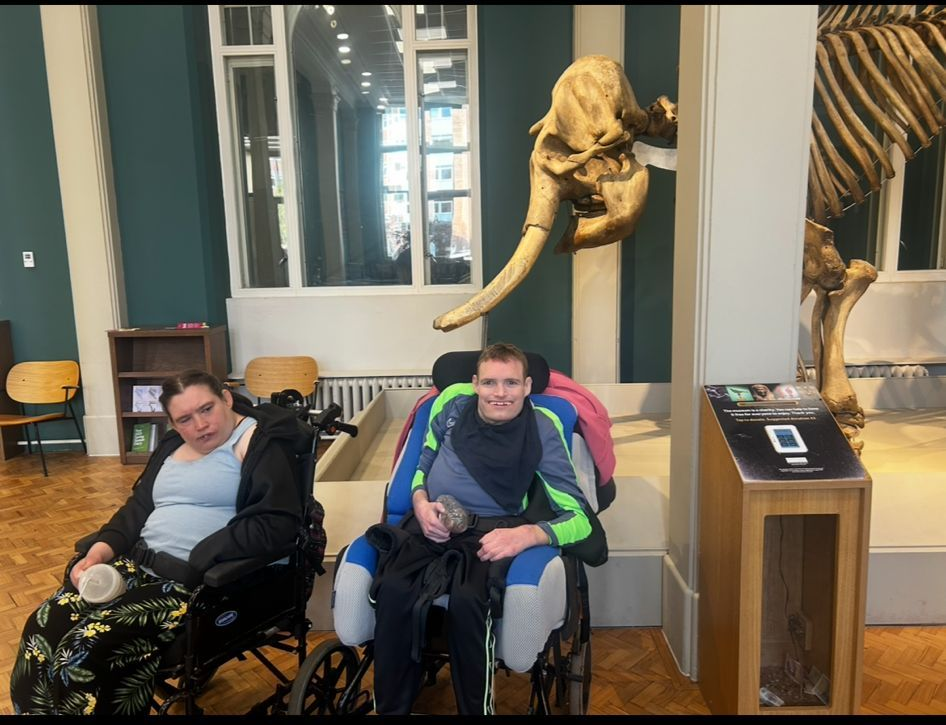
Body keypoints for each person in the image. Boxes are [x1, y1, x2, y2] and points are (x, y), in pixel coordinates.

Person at [9, 370, 306, 715]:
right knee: (42, 626)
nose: (200, 425)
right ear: (173, 423)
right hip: (133, 566)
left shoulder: (257, 442)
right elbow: (138, 507)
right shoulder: (171, 446)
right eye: (185, 419)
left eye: (207, 409)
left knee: (85, 648)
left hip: (193, 584)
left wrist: (206, 552)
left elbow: (278, 523)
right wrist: (100, 550)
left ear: (226, 398)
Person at [369, 343, 601, 715]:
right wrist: (419, 502)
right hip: (431, 523)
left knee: (468, 601)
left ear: (527, 387)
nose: (500, 393)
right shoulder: (451, 404)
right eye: (490, 382)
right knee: (393, 589)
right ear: (475, 384)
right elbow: (423, 461)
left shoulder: (542, 427)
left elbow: (578, 519)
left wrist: (526, 535)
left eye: (511, 383)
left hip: (495, 531)